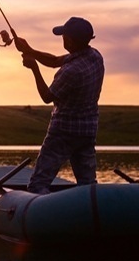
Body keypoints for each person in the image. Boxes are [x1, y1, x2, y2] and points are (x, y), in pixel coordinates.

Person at [15, 17, 104, 193]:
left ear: (69, 40)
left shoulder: (71, 71)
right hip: (87, 131)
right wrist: (30, 50)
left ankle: (39, 215)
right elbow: (55, 61)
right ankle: (91, 212)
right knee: (87, 184)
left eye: (64, 35)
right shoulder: (94, 56)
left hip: (63, 132)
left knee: (38, 184)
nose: (62, 38)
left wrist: (34, 68)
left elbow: (47, 97)